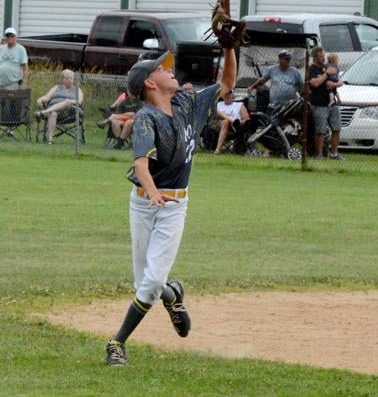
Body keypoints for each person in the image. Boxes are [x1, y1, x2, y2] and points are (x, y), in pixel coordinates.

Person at [105, 45, 237, 366]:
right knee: (145, 284)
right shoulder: (148, 119)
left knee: (148, 283)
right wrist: (151, 193)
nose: (169, 71)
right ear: (150, 84)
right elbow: (140, 165)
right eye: (161, 70)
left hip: (174, 206)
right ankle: (172, 295)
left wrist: (231, 46)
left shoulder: (188, 102)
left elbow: (228, 83)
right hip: (144, 204)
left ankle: (116, 343)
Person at [308, 46, 344, 160]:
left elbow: (339, 81)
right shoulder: (311, 69)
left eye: (324, 55)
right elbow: (315, 84)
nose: (323, 58)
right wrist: (326, 75)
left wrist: (335, 85)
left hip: (332, 104)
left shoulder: (327, 67)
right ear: (314, 57)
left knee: (336, 128)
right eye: (321, 56)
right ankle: (319, 154)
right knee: (320, 130)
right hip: (319, 104)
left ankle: (334, 153)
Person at [35, 69, 84, 144]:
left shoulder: (77, 90)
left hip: (69, 112)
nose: (69, 80)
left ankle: (43, 112)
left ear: (73, 79)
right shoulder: (56, 87)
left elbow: (79, 101)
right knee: (53, 113)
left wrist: (70, 101)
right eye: (67, 78)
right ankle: (50, 140)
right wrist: (40, 99)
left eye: (71, 78)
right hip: (54, 112)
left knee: (65, 102)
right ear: (63, 79)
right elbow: (47, 97)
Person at [214, 89, 250, 154]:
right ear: (222, 96)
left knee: (226, 122)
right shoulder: (218, 104)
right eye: (225, 93)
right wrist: (232, 120)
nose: (227, 95)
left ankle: (218, 149)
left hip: (235, 128)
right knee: (225, 121)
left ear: (233, 95)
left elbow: (246, 119)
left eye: (229, 93)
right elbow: (215, 117)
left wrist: (240, 123)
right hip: (218, 126)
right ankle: (232, 121)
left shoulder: (239, 105)